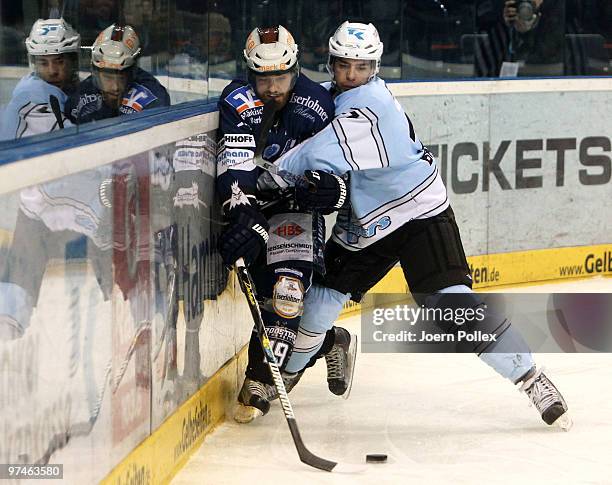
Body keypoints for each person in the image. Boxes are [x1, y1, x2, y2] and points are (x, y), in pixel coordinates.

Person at [272, 21, 570, 429]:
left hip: (418, 212)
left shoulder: (371, 106)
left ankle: (532, 379)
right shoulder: (331, 98)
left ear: (375, 67)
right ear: (332, 63)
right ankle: (290, 372)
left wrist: (265, 175)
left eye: (362, 67)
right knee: (321, 303)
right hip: (366, 220)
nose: (352, 76)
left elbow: (317, 154)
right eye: (344, 66)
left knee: (452, 305)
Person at [216, 25, 352, 422]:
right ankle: (330, 341)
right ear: (250, 73)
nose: (272, 87)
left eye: (280, 76)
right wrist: (243, 214)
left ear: (294, 69)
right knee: (265, 298)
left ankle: (260, 379)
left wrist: (332, 190)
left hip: (297, 210)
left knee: (288, 292)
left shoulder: (319, 103)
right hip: (256, 208)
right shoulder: (237, 100)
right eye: (264, 77)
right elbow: (236, 166)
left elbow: (341, 170)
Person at [67, 23, 170, 123]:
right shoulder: (80, 95)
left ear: (132, 73)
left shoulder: (153, 97)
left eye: (121, 78)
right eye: (108, 77)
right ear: (96, 74)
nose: (115, 87)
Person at [0, 18, 79, 141]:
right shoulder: (33, 94)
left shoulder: (70, 89)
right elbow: (71, 143)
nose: (52, 71)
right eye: (43, 63)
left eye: (59, 62)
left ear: (72, 62)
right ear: (35, 65)